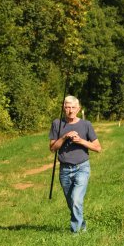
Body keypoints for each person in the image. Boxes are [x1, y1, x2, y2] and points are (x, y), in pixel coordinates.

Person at [48, 96, 101, 233]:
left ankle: (75, 233)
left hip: (82, 168)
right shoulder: (57, 123)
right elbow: (52, 148)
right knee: (71, 203)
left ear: (78, 109)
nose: (70, 110)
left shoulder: (86, 124)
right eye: (67, 107)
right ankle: (82, 225)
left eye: (73, 107)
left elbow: (98, 148)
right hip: (64, 170)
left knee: (76, 200)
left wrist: (80, 141)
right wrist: (64, 137)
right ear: (63, 108)